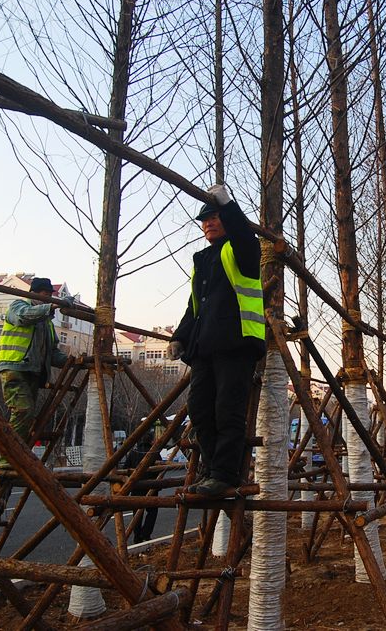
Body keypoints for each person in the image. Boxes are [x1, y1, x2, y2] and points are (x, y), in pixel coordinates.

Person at [169, 184, 264, 497]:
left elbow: (246, 239)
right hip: (204, 347)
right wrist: (180, 337)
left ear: (226, 219)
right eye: (204, 219)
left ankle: (224, 473)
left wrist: (229, 205)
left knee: (228, 410)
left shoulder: (240, 251)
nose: (208, 222)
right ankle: (213, 470)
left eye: (214, 217)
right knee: (199, 410)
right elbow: (194, 304)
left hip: (236, 343)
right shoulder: (204, 260)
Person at [0, 277, 68, 469]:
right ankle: (7, 458)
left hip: (33, 372)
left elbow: (52, 352)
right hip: (14, 368)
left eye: (51, 296)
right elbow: (23, 317)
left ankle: (18, 456)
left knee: (28, 418)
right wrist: (49, 308)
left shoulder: (47, 324)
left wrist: (72, 362)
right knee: (22, 411)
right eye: (46, 295)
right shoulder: (18, 305)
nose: (49, 299)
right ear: (34, 293)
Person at [125, 433, 159, 543]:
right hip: (151, 487)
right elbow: (159, 471)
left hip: (136, 487)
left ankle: (137, 536)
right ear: (151, 441)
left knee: (137, 513)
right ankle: (146, 533)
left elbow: (125, 469)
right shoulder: (154, 453)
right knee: (152, 511)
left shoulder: (133, 453)